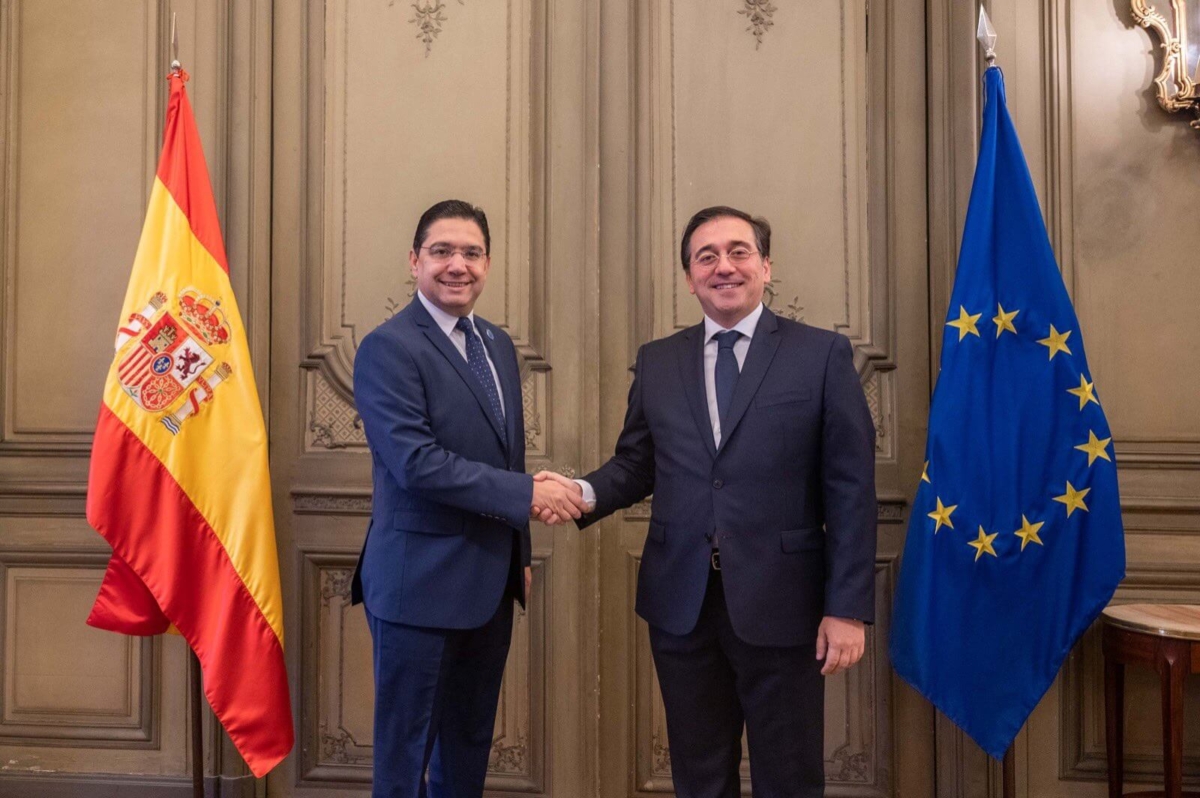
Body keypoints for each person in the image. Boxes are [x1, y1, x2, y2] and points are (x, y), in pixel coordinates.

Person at [540, 206, 877, 796]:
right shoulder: (658, 360)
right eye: (707, 257)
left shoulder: (821, 355)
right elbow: (637, 465)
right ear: (689, 278)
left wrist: (846, 608)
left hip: (785, 604)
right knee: (699, 778)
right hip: (682, 605)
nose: (724, 266)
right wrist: (581, 493)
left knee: (790, 778)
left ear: (765, 266)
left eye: (739, 252)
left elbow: (850, 489)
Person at [350, 199, 588, 798]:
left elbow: (506, 458)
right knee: (405, 761)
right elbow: (416, 463)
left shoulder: (497, 345)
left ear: (487, 264)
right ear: (414, 261)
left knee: (467, 752)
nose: (458, 265)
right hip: (416, 590)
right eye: (442, 251)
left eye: (471, 253)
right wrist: (529, 494)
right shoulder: (388, 347)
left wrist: (518, 555)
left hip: (489, 585)